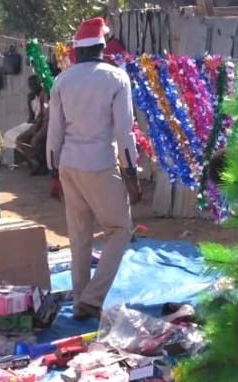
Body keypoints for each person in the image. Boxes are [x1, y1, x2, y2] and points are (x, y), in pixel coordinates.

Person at [47, 17, 142, 321]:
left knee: (79, 236)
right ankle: (92, 298)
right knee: (120, 230)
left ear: (76, 50)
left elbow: (54, 132)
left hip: (68, 165)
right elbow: (124, 132)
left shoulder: (62, 80)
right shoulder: (116, 78)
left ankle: (80, 301)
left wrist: (53, 171)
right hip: (101, 163)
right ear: (103, 47)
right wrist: (131, 173)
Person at [14, 75, 49, 175]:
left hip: (44, 123)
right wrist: (29, 102)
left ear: (40, 84)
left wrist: (36, 128)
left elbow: (44, 116)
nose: (32, 87)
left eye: (34, 84)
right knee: (19, 140)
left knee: (35, 141)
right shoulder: (31, 97)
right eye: (30, 85)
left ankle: (43, 165)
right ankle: (38, 162)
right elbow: (30, 118)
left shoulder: (44, 94)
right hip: (36, 123)